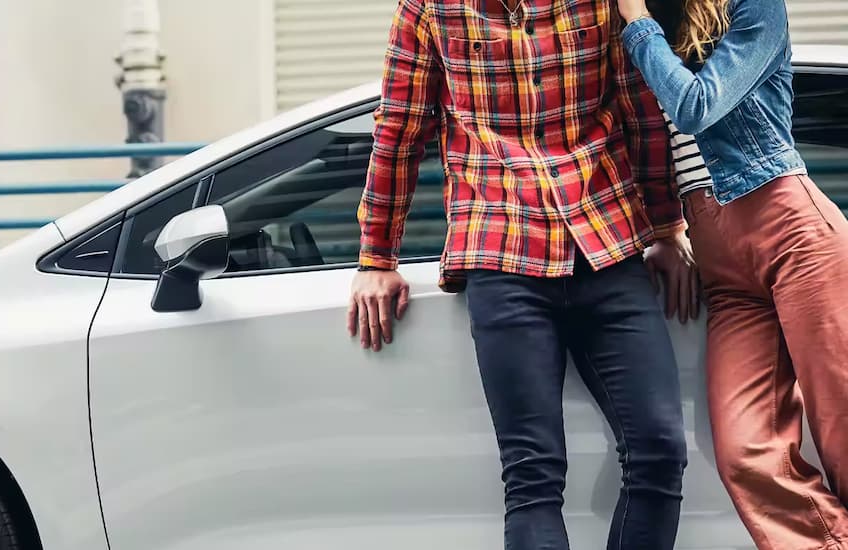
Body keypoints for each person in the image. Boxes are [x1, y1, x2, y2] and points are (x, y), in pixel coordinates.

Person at [344, 0, 700, 548]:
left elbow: (640, 108)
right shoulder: (428, 7)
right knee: (533, 476)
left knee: (659, 450)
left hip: (606, 241)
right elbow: (400, 126)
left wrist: (666, 225)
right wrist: (377, 257)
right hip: (500, 251)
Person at [617, 0, 848, 547]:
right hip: (723, 270)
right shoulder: (653, 28)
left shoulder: (756, 7)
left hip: (792, 235)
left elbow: (699, 106)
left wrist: (636, 21)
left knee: (843, 434)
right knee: (746, 452)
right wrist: (666, 231)